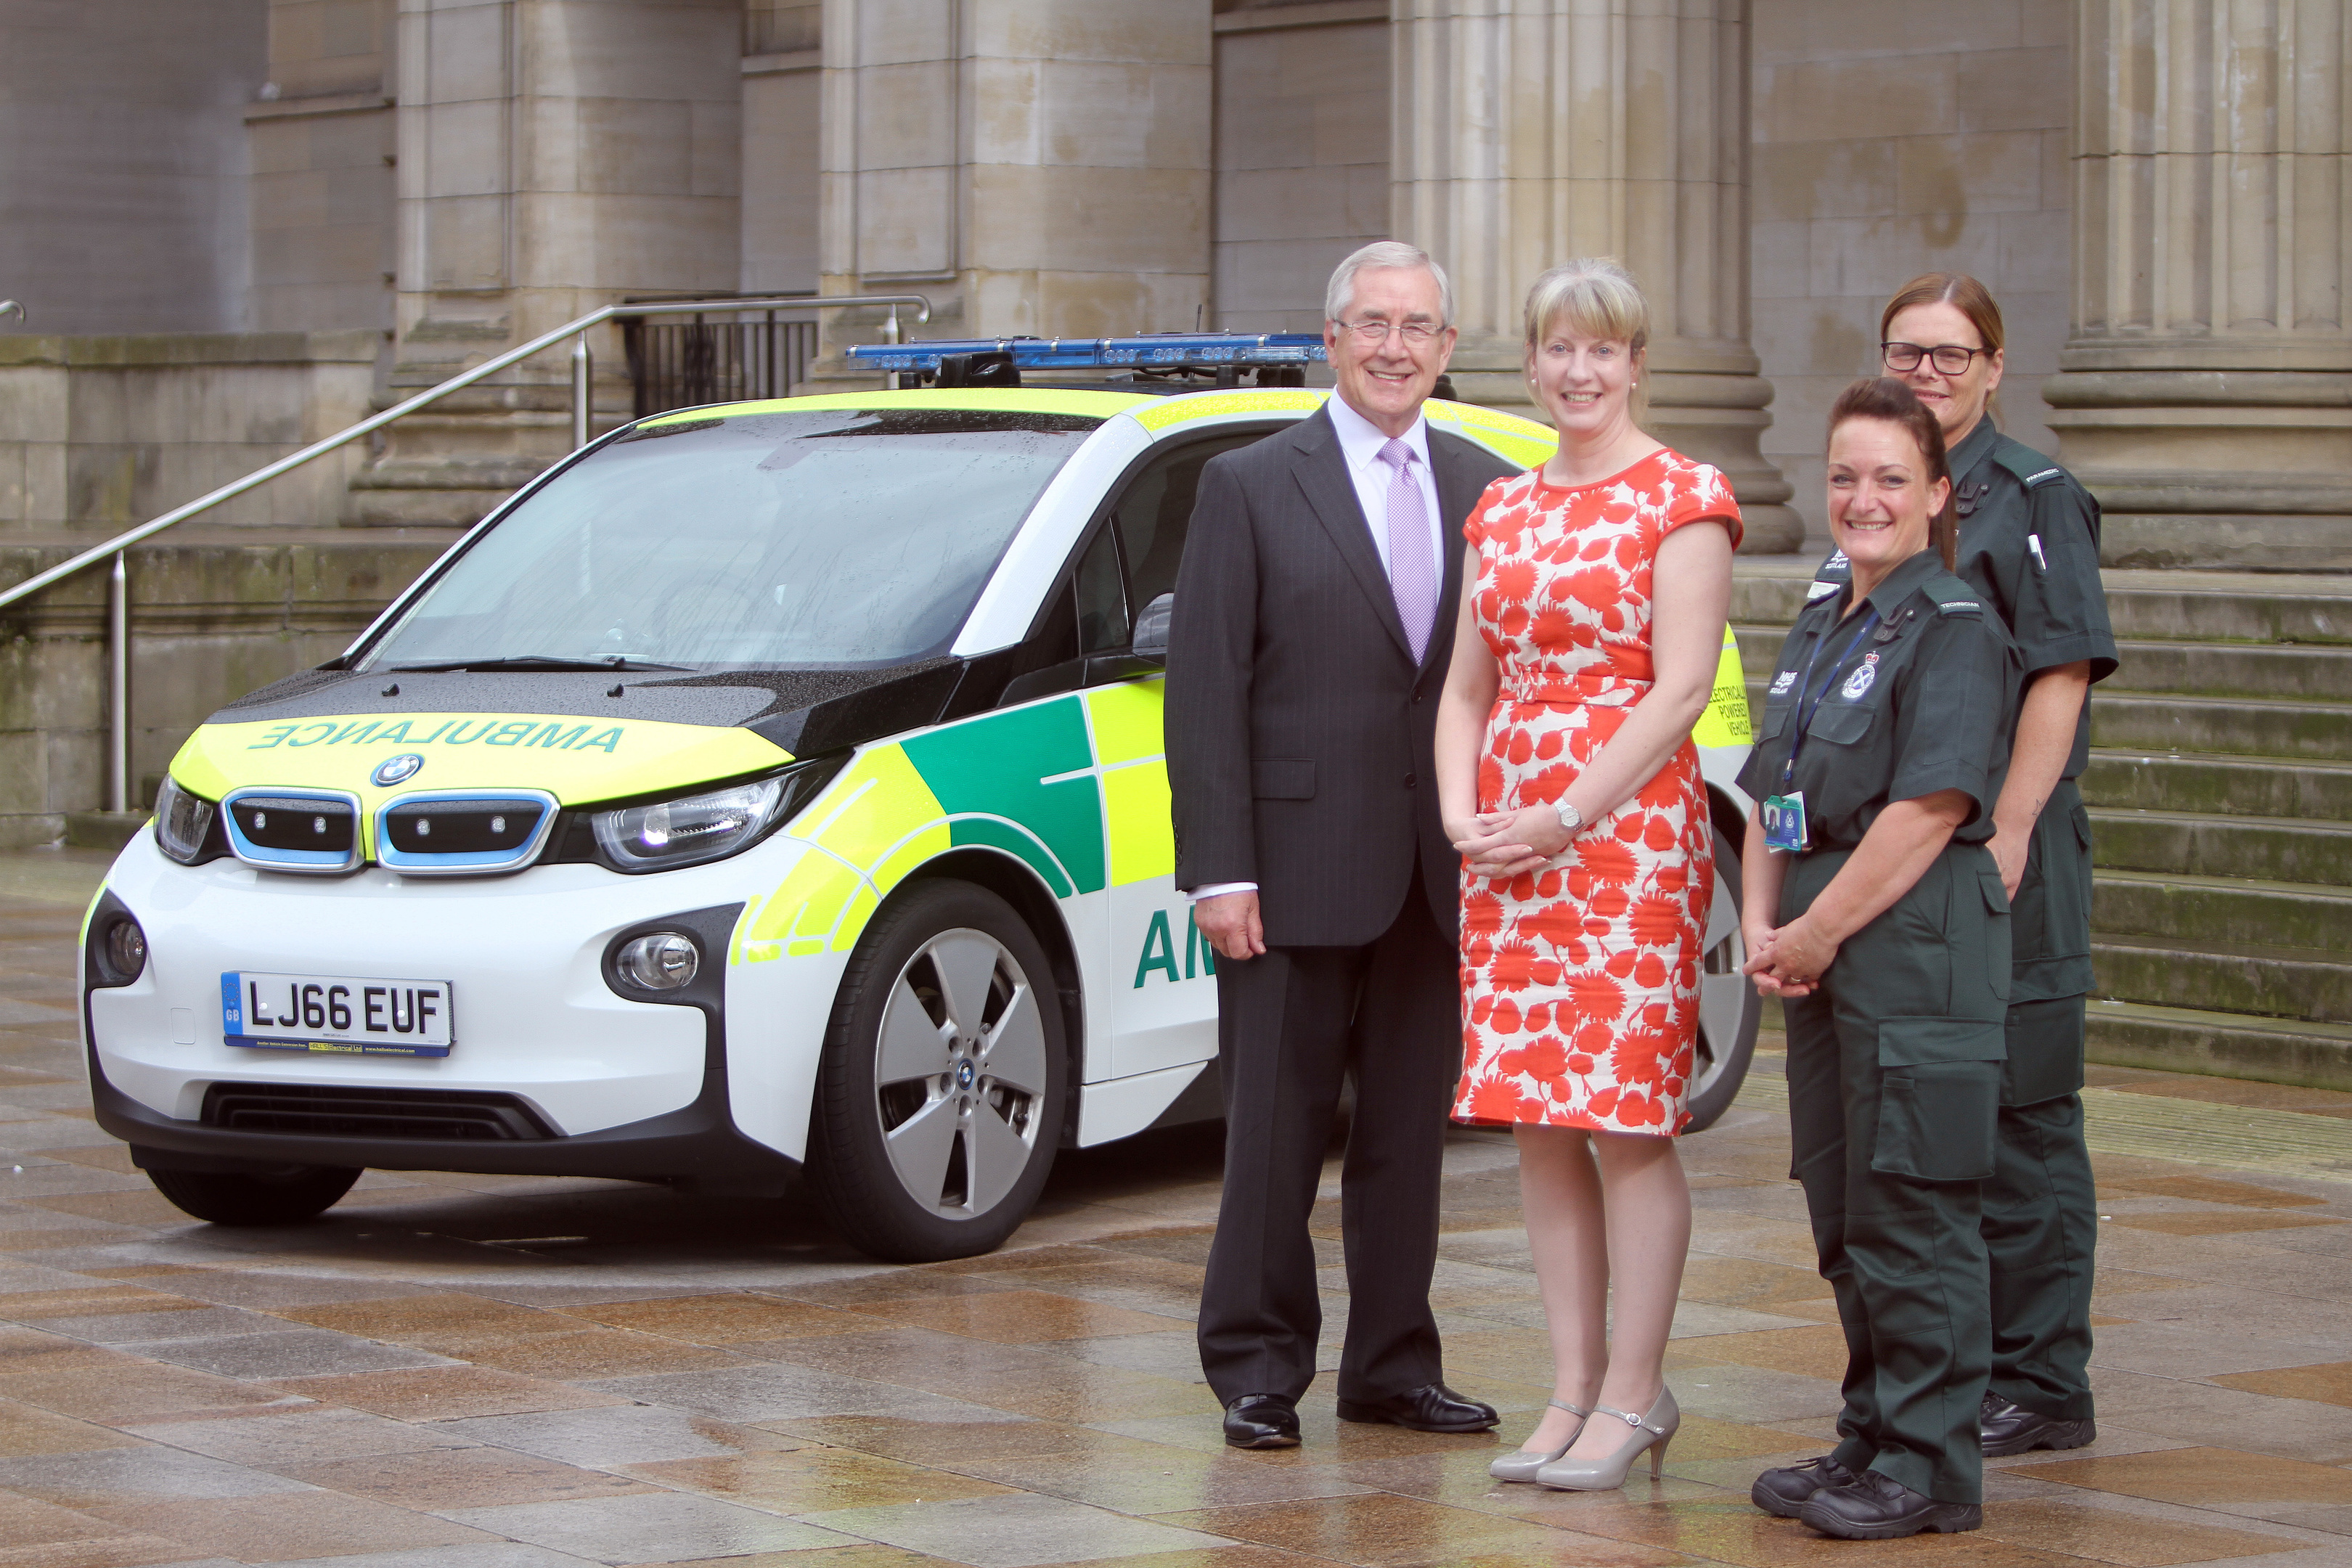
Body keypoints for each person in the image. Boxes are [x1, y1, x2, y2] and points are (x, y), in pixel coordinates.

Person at [1165, 241, 1518, 1450]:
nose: (1395, 348)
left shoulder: (1485, 486)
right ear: (1331, 338)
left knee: (1410, 1140)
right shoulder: (1253, 482)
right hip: (1288, 868)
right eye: (1373, 324)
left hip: (1434, 865)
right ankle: (1257, 1368)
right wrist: (1221, 868)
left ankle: (1392, 1366)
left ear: (1447, 349)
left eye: (1419, 328)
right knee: (1272, 1132)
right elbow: (1203, 686)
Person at [1434, 259, 1738, 1492]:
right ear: (1532, 361)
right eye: (1559, 349)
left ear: (1636, 363)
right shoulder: (1500, 510)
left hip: (1622, 841)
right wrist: (1465, 817)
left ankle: (1635, 1392)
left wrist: (1564, 812)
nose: (1579, 372)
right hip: (1508, 850)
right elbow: (1465, 687)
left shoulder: (1685, 495)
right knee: (1541, 1123)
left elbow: (1677, 692)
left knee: (1625, 1122)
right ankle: (1568, 1389)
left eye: (1602, 351)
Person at [1809, 274, 2115, 1458]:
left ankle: (2043, 1379)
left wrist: (2019, 826)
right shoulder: (1887, 493)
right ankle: (1961, 1368)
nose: (1929, 371)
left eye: (1951, 354)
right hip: (1916, 863)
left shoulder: (2034, 496)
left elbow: (2061, 671)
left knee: (2026, 1112)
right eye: (1907, 352)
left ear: (1996, 364)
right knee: (1938, 1120)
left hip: (2002, 844)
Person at [1741, 377, 2022, 1540]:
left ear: (1937, 495)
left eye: (1891, 479)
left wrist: (1810, 931)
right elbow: (1774, 794)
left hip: (1911, 954)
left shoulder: (1958, 629)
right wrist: (1766, 924)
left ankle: (1931, 1464)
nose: (1865, 499)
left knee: (1916, 1206)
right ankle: (1872, 1432)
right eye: (1847, 476)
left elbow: (1922, 814)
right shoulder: (1827, 618)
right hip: (1825, 953)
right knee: (1848, 1206)